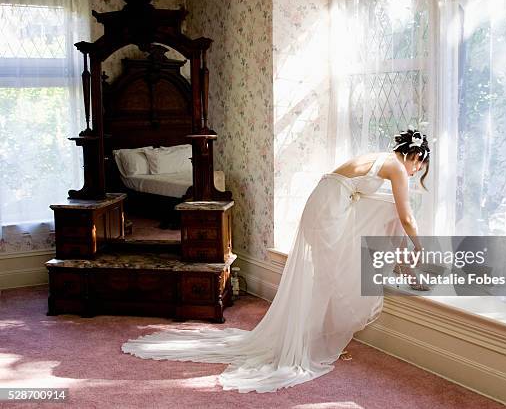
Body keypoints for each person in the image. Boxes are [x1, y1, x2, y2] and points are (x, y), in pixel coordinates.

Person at [121, 129, 431, 393]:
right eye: (420, 168)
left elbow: (378, 204)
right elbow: (407, 215)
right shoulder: (395, 166)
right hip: (330, 209)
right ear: (415, 158)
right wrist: (420, 247)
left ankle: (322, 331)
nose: (415, 174)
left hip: (325, 203)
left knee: (330, 272)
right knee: (331, 276)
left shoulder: (380, 158)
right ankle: (311, 341)